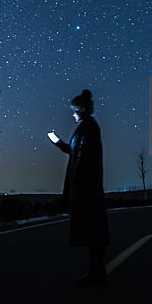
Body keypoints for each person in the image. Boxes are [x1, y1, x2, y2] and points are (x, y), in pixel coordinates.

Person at [49, 88, 110, 285]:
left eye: (74, 110)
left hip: (86, 187)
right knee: (93, 230)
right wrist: (58, 142)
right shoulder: (85, 126)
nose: (72, 114)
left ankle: (97, 272)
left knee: (93, 229)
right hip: (85, 186)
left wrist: (78, 180)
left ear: (81, 109)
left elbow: (83, 156)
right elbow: (75, 151)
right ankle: (96, 271)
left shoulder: (89, 127)